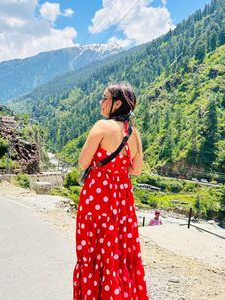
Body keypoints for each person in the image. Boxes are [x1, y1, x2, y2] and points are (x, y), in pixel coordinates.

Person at [73, 82, 149, 299]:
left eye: (105, 98)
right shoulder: (134, 133)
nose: (101, 101)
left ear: (117, 104)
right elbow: (136, 169)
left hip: (98, 194)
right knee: (119, 252)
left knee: (94, 250)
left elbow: (82, 162)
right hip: (122, 199)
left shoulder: (101, 127)